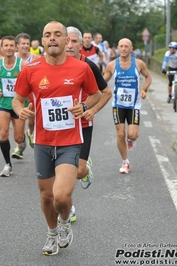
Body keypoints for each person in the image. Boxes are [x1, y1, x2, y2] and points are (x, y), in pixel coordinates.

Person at [12, 21, 101, 256]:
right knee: (46, 196)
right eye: (47, 35)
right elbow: (17, 99)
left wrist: (84, 106)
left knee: (61, 196)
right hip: (42, 141)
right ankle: (52, 233)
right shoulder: (30, 69)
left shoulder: (82, 68)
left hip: (70, 140)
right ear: (42, 41)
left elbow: (96, 94)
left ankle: (63, 224)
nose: (52, 38)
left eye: (57, 35)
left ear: (66, 40)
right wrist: (20, 110)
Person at [65, 26, 112, 221]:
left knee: (78, 171)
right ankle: (70, 207)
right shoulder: (51, 65)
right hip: (62, 127)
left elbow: (106, 92)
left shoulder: (89, 66)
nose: (69, 45)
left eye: (74, 41)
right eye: (66, 40)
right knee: (63, 171)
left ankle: (86, 169)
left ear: (81, 44)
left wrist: (92, 110)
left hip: (83, 125)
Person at [104, 38, 152, 174]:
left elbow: (148, 77)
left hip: (134, 105)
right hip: (118, 105)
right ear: (118, 48)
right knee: (120, 134)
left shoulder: (138, 64)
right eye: (121, 46)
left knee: (132, 134)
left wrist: (144, 89)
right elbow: (102, 82)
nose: (124, 49)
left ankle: (131, 140)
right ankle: (125, 162)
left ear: (131, 49)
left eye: (126, 46)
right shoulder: (112, 65)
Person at [0, 36, 27, 176]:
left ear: (16, 47)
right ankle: (7, 165)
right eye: (6, 45)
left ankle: (23, 140)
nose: (9, 48)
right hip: (4, 103)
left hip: (19, 104)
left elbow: (30, 83)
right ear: (2, 48)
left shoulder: (22, 65)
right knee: (3, 133)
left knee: (18, 138)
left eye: (11, 45)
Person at [15, 33, 41, 149]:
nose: (25, 46)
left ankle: (30, 133)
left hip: (30, 93)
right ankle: (18, 147)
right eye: (23, 43)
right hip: (16, 94)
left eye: (27, 43)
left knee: (31, 120)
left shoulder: (35, 59)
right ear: (17, 45)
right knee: (17, 119)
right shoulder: (12, 57)